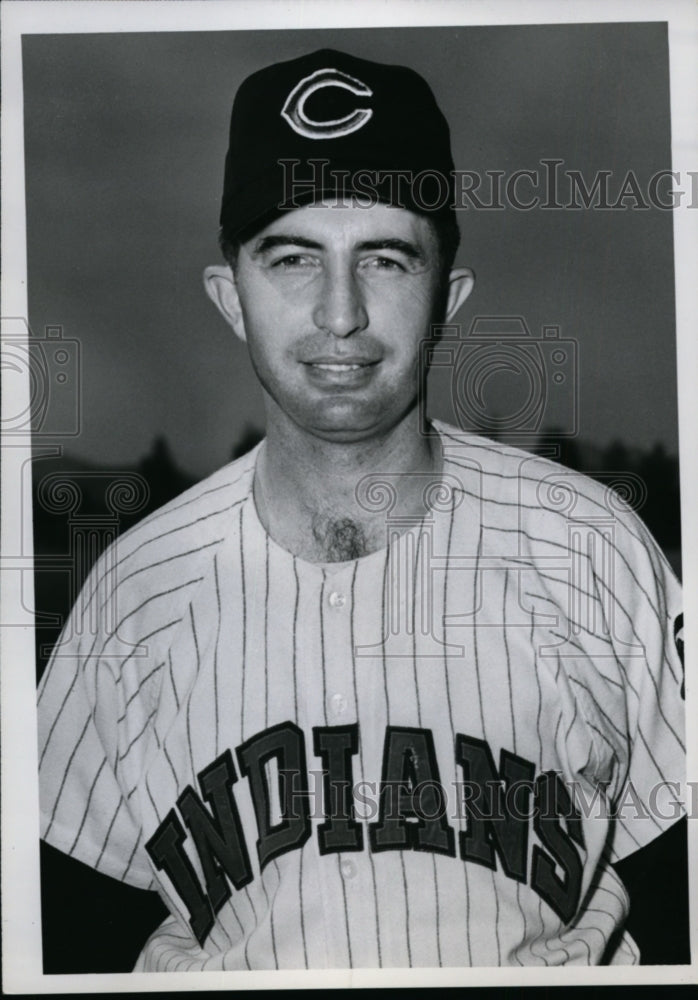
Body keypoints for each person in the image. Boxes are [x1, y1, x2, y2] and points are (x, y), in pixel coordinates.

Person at [37, 47, 687, 971]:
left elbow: (683, 889)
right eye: (293, 257)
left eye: (384, 259)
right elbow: (61, 939)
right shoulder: (133, 594)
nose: (340, 313)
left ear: (446, 299)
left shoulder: (592, 547)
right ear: (232, 298)